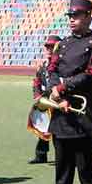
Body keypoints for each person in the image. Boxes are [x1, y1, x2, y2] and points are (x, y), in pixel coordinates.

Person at [40, 0, 92, 184]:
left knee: (84, 155)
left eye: (76, 16)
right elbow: (51, 70)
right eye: (70, 16)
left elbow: (91, 74)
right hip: (62, 105)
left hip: (83, 109)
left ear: (88, 16)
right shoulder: (62, 44)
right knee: (61, 151)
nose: (72, 20)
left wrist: (62, 89)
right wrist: (55, 91)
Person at [29, 35, 61, 164]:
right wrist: (37, 95)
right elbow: (36, 81)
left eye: (52, 46)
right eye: (47, 46)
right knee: (42, 129)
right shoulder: (43, 66)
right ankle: (41, 155)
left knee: (59, 132)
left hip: (59, 101)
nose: (48, 49)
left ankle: (63, 157)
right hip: (46, 100)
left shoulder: (63, 65)